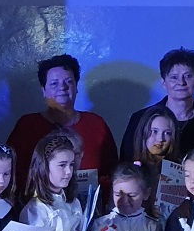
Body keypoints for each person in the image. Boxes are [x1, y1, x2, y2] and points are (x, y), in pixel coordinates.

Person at [6, 55, 118, 194]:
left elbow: (113, 171)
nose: (63, 88)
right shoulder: (27, 126)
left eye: (69, 82)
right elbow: (12, 173)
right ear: (43, 90)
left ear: (76, 87)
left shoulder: (96, 124)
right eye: (54, 83)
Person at [117, 49, 194, 162]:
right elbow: (126, 162)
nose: (181, 82)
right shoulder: (140, 118)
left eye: (188, 76)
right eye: (174, 77)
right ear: (163, 82)